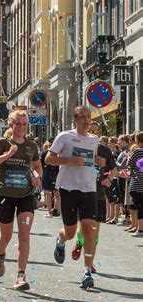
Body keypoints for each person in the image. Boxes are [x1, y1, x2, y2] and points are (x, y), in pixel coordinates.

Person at [45, 106, 103, 289]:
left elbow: (91, 164)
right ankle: (61, 241)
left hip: (89, 189)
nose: (86, 120)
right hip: (68, 188)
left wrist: (98, 165)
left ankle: (86, 272)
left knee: (88, 228)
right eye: (83, 117)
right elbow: (48, 159)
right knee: (70, 232)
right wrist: (69, 160)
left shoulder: (94, 140)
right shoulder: (65, 136)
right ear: (75, 119)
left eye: (89, 117)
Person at [0, 110, 42, 291]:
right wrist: (8, 154)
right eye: (17, 123)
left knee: (24, 235)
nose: (21, 127)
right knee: (7, 235)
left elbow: (36, 166)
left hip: (26, 195)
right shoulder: (3, 143)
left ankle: (20, 275)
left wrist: (37, 177)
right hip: (5, 195)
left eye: (24, 124)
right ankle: (1, 254)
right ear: (11, 125)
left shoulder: (31, 146)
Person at [71, 122, 117, 273]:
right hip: (81, 192)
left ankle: (89, 264)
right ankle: (79, 242)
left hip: (98, 194)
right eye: (89, 130)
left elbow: (114, 169)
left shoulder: (104, 150)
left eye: (95, 131)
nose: (92, 133)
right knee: (82, 230)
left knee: (95, 232)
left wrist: (109, 179)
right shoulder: (78, 147)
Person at [127, 132, 143, 237]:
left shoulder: (137, 151)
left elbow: (129, 164)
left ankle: (140, 229)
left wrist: (129, 157)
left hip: (137, 183)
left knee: (139, 207)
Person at [41, 138, 60, 217]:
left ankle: (50, 212)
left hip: (47, 174)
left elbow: (41, 165)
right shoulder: (58, 153)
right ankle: (56, 210)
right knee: (57, 194)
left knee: (48, 194)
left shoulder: (44, 153)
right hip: (55, 174)